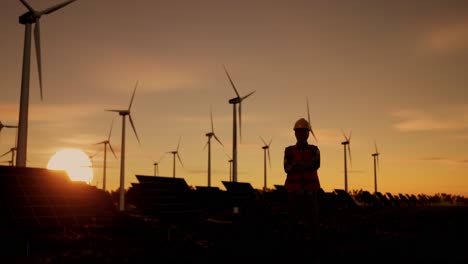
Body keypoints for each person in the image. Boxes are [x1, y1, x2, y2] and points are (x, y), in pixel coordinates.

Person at [283, 117, 321, 244]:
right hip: (293, 191)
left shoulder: (314, 149)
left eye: (304, 131)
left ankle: (314, 247)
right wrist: (305, 164)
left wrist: (296, 164)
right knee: (292, 221)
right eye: (299, 131)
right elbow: (287, 168)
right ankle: (293, 245)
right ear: (295, 133)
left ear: (308, 133)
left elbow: (315, 164)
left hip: (311, 191)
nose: (301, 134)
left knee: (313, 222)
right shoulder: (288, 150)